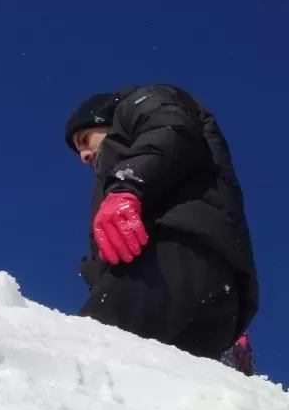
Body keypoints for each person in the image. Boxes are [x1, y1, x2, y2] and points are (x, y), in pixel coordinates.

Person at [63, 84, 259, 368]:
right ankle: (228, 361)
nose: (82, 156)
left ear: (103, 119)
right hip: (215, 286)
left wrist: (127, 186)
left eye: (84, 139)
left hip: (169, 256)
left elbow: (170, 129)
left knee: (83, 358)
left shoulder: (140, 105)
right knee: (161, 390)